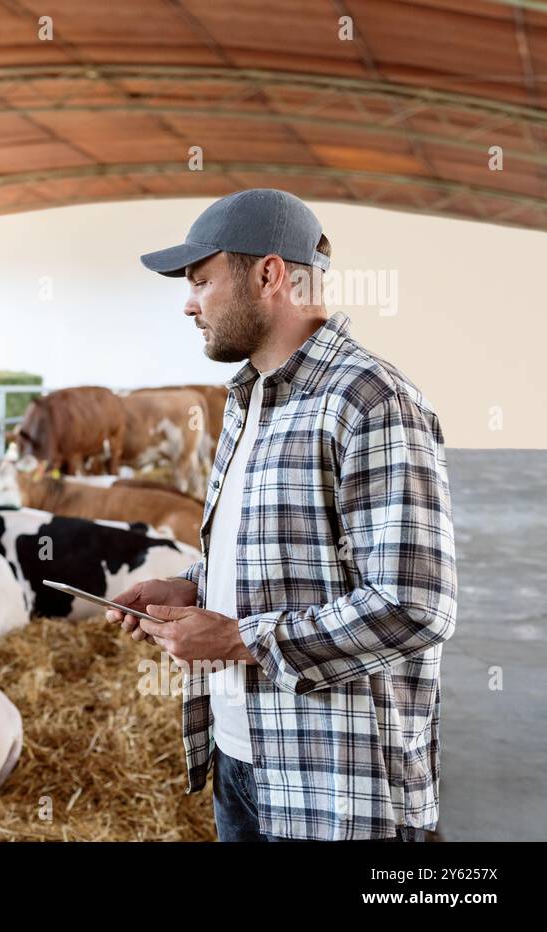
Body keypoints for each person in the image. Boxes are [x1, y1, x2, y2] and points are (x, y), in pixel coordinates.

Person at [108, 188, 457, 841]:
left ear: (270, 275)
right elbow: (275, 549)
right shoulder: (247, 402)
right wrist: (195, 585)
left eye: (202, 280)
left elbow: (415, 607)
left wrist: (237, 637)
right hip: (242, 761)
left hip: (338, 787)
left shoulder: (370, 399)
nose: (188, 302)